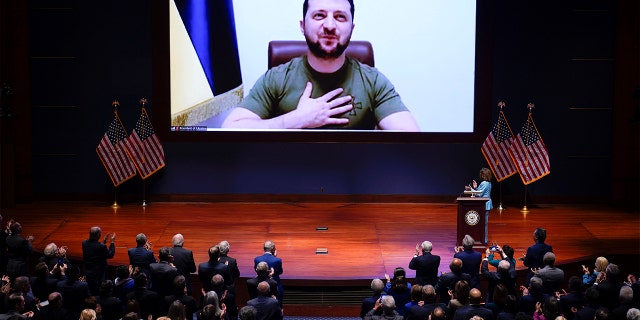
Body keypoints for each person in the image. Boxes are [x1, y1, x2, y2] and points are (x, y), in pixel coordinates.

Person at [221, 0, 419, 131]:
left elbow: (412, 140)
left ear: (351, 28)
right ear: (302, 26)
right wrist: (294, 120)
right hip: (288, 183)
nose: (330, 25)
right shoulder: (277, 78)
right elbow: (230, 129)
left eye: (340, 17)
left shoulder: (373, 81)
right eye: (319, 15)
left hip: (354, 186)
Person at [82, 226, 116, 295]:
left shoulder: (84, 243)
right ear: (98, 235)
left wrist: (103, 242)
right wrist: (112, 242)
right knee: (98, 292)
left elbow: (95, 250)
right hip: (98, 275)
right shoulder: (101, 246)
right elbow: (110, 255)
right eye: (100, 233)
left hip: (88, 272)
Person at [464, 167, 493, 243]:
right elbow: (480, 192)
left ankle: (483, 239)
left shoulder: (484, 183)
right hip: (485, 204)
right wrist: (475, 188)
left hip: (484, 204)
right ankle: (483, 239)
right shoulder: (488, 183)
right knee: (484, 223)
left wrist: (471, 189)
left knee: (483, 224)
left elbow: (479, 194)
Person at [254, 240, 284, 306]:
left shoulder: (257, 259)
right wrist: (274, 257)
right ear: (273, 249)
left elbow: (256, 270)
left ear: (264, 249)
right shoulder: (277, 260)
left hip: (260, 284)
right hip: (274, 285)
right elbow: (280, 272)